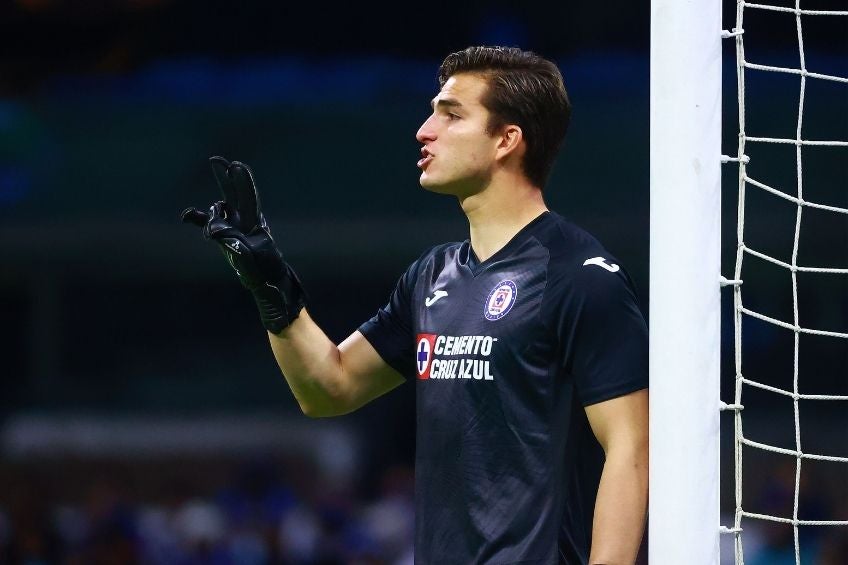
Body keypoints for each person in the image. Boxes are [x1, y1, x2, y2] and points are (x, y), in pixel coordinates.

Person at [182, 45, 648, 565]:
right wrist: (271, 290)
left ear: (506, 140)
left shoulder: (580, 277)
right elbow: (329, 389)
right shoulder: (431, 276)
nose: (424, 131)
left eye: (451, 115)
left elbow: (631, 450)